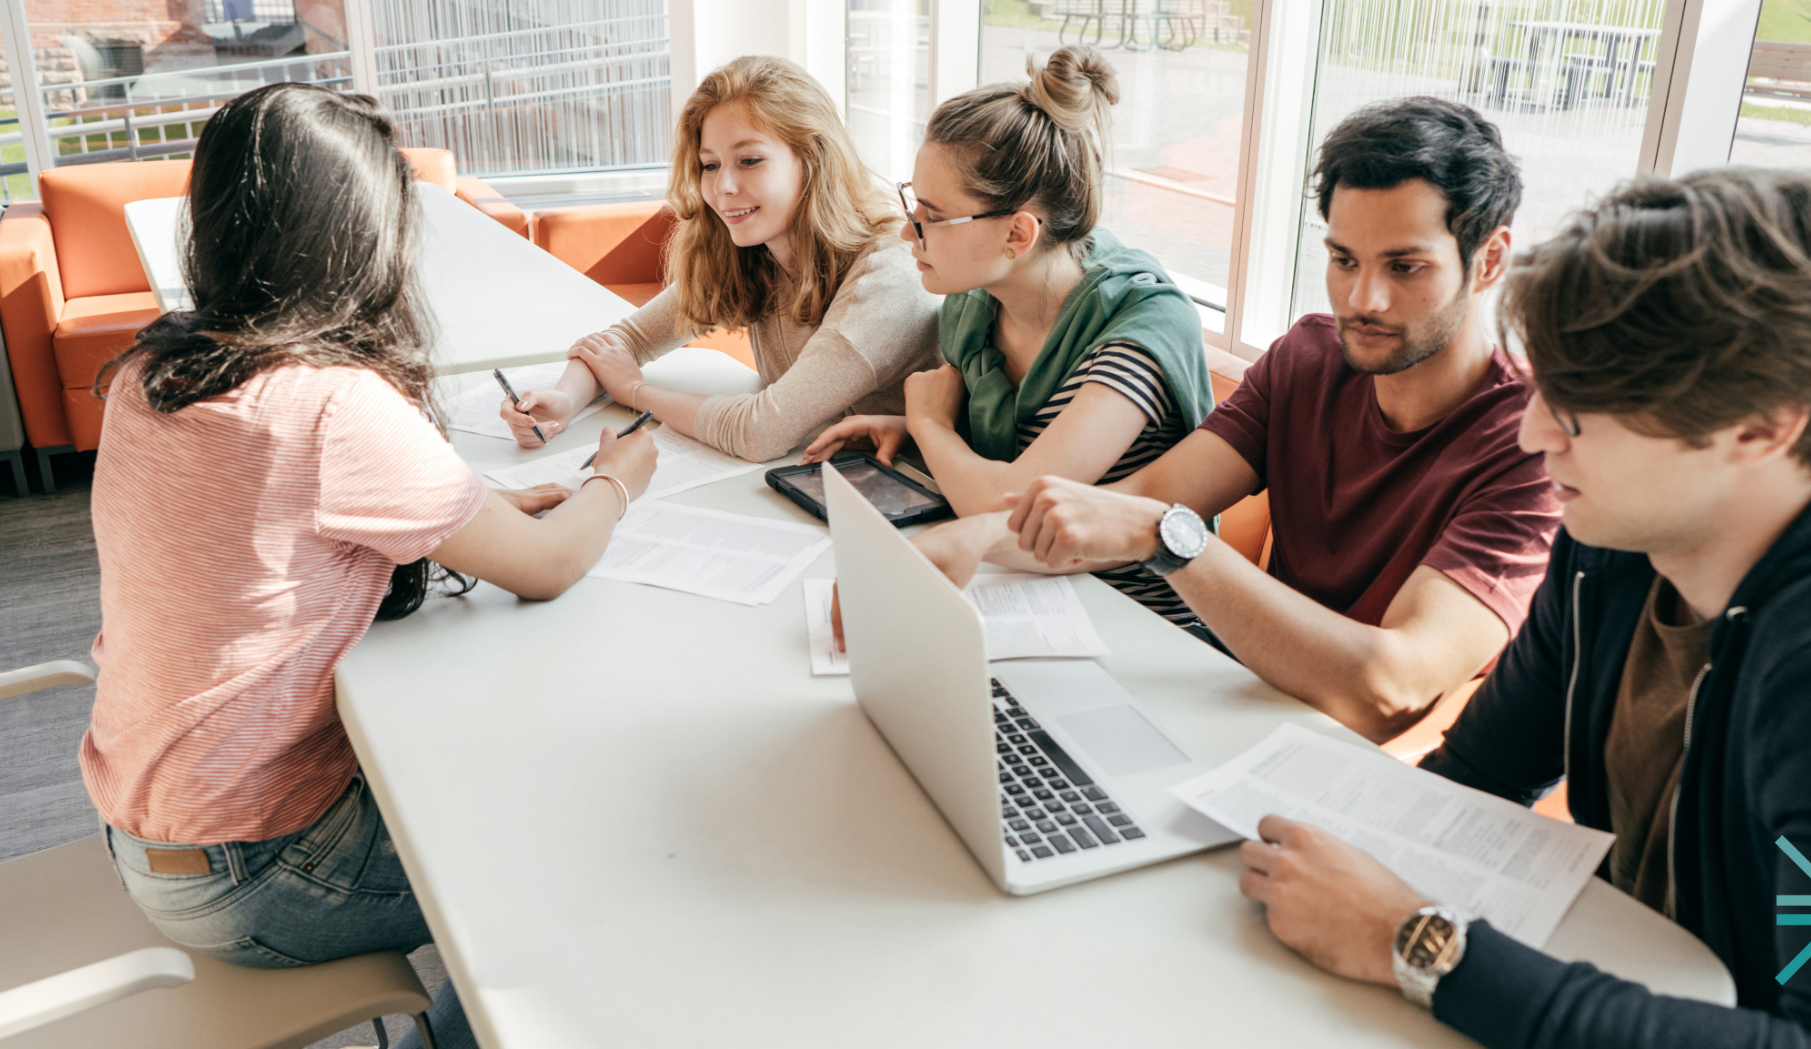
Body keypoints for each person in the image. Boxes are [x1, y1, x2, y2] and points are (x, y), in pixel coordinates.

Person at [1235, 169, 1811, 1048]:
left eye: (1581, 413)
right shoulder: (1615, 544)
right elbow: (1480, 775)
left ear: (1762, 425)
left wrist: (1418, 942)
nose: (1532, 435)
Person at [82, 84, 661, 1049]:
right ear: (362, 239)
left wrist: (471, 507)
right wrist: (617, 478)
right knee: (582, 869)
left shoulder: (154, 370)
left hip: (149, 826)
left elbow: (268, 526)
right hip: (259, 873)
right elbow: (554, 564)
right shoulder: (329, 405)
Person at [931, 97, 1560, 737]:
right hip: (1244, 704)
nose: (1363, 299)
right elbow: (1146, 496)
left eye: (1405, 266)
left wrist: (1168, 535)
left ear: (1489, 261)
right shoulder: (1309, 360)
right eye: (1344, 260)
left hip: (1363, 763)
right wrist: (969, 540)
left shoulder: (1535, 446)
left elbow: (1389, 685)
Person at [803, 47, 1214, 634]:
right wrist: (907, 430)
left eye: (931, 215)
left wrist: (931, 426)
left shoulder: (1140, 327)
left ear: (1018, 234)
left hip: (1146, 630)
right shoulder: (975, 303)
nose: (905, 229)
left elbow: (1011, 505)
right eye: (910, 200)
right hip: (1026, 597)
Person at [500, 55, 939, 463]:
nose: (724, 186)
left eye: (749, 160)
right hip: (820, 477)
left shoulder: (886, 271)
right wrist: (565, 400)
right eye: (710, 165)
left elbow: (762, 431)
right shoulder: (752, 244)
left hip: (907, 494)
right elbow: (624, 341)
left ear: (813, 160)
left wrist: (634, 389)